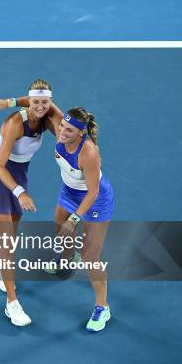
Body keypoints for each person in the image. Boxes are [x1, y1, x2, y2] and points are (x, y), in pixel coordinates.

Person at [0, 79, 61, 326]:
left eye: (45, 102)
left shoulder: (45, 115)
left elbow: (66, 125)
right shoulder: (14, 123)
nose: (41, 107)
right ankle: (12, 304)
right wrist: (20, 193)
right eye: (36, 102)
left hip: (19, 177)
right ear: (29, 101)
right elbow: (0, 166)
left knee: (11, 236)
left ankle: (1, 267)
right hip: (1, 180)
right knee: (7, 245)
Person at [53, 107, 115, 332]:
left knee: (90, 256)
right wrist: (9, 103)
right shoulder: (62, 130)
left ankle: (102, 307)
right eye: (61, 126)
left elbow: (93, 192)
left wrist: (74, 219)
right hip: (69, 191)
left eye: (68, 130)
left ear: (81, 133)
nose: (62, 132)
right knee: (59, 228)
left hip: (95, 200)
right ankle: (67, 260)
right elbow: (43, 104)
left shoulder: (88, 151)